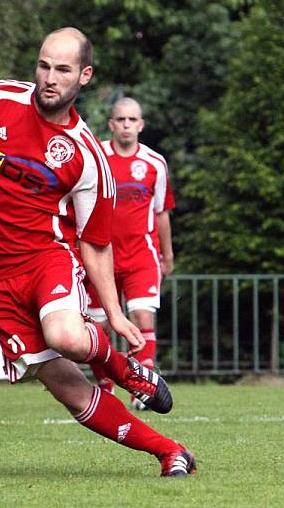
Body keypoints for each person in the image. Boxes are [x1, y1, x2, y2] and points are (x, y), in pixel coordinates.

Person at [0, 27, 196, 477]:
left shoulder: (86, 156)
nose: (49, 77)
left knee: (66, 336)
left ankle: (124, 368)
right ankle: (170, 451)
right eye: (44, 65)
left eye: (62, 69)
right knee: (69, 389)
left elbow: (94, 243)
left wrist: (115, 313)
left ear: (83, 76)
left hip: (47, 259)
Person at [86, 98, 175, 411]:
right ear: (111, 124)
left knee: (142, 317)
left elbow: (161, 211)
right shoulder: (96, 157)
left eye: (131, 119)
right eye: (120, 119)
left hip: (141, 255)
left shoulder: (155, 163)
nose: (126, 125)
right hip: (100, 256)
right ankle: (106, 387)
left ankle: (142, 389)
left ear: (141, 124)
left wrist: (168, 254)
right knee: (99, 327)